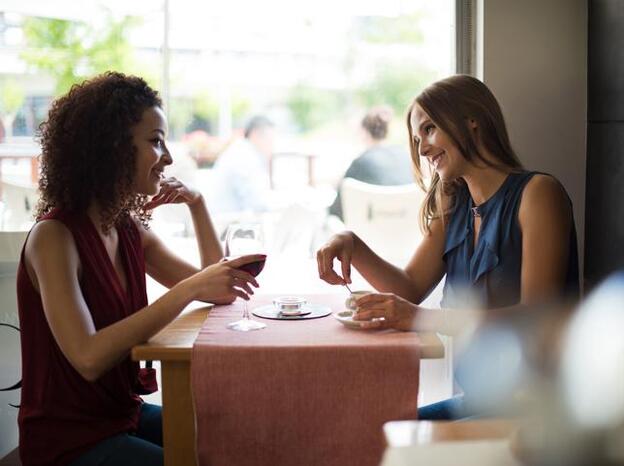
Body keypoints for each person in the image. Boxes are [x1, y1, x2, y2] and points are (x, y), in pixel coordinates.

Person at [17, 72, 263, 466]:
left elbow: (221, 285)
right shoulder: (54, 237)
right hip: (67, 440)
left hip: (121, 416)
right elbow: (88, 356)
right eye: (155, 141)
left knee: (232, 439)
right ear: (111, 148)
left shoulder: (125, 227)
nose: (166, 157)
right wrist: (185, 292)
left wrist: (197, 205)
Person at [316, 74, 579, 420]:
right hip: (479, 401)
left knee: (388, 440)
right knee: (370, 430)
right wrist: (352, 243)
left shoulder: (538, 194)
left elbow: (534, 317)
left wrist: (421, 319)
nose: (422, 149)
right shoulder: (455, 205)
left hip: (536, 412)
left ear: (471, 121)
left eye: (428, 130)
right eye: (416, 138)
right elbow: (408, 287)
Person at [329, 105, 414, 220]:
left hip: (368, 235)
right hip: (410, 231)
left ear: (364, 132)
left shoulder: (361, 163)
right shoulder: (407, 157)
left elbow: (336, 211)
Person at [209, 115, 275, 213]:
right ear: (256, 134)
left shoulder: (241, 150)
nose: (272, 145)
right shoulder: (245, 156)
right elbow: (257, 202)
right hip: (225, 221)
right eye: (270, 139)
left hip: (224, 218)